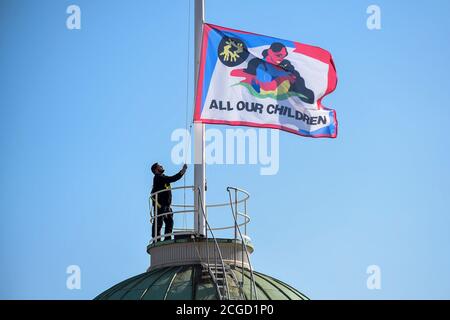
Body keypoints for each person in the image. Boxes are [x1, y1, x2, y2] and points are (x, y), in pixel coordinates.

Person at [232, 42, 315, 103]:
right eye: (278, 55)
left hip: (281, 102)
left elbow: (304, 92)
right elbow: (259, 78)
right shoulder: (256, 63)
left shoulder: (286, 66)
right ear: (270, 52)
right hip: (257, 99)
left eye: (284, 56)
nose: (281, 59)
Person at [150, 163, 187, 241]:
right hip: (160, 205)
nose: (162, 166)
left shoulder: (162, 177)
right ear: (156, 170)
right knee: (158, 222)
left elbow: (170, 179)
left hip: (166, 205)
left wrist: (181, 172)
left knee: (169, 222)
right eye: (160, 166)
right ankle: (156, 239)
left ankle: (167, 238)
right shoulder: (158, 177)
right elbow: (171, 179)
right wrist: (182, 172)